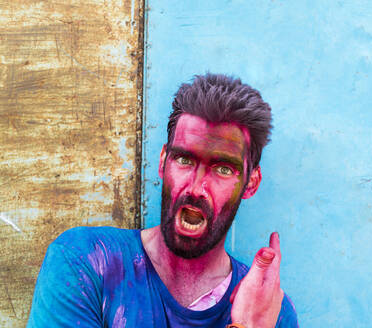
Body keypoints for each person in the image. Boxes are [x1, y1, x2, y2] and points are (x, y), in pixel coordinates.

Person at [27, 73, 298, 327]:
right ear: (162, 162)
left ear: (251, 183)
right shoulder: (86, 261)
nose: (196, 188)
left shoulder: (270, 310)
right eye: (184, 160)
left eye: (223, 169)